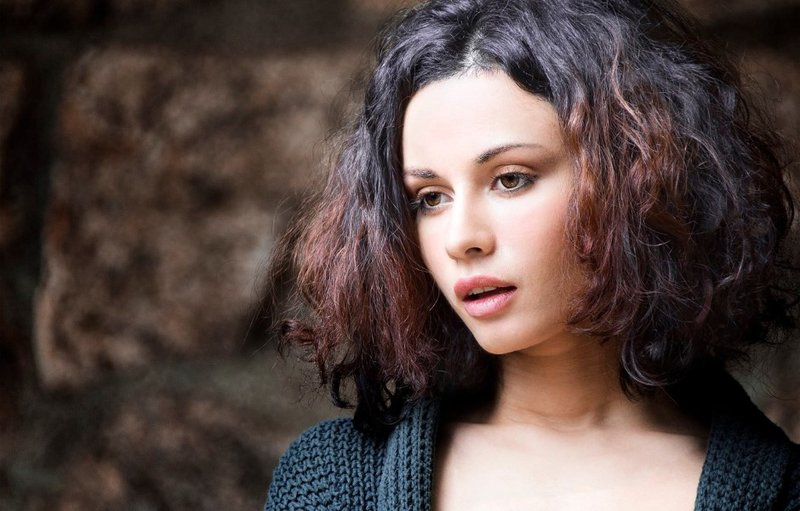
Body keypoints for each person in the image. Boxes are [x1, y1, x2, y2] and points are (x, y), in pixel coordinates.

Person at [263, 0, 800, 509]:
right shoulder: (333, 482)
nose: (460, 238)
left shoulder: (775, 491)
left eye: (511, 179)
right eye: (430, 198)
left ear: (637, 178)